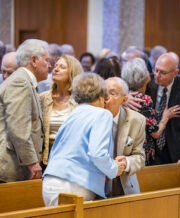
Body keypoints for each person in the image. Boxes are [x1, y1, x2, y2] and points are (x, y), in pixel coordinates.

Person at [43, 73, 125, 206]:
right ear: (100, 97)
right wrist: (114, 169)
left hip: (50, 180)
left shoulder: (73, 114)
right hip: (74, 183)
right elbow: (97, 154)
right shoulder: (102, 114)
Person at [0, 39, 50, 182]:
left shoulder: (24, 81)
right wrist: (32, 163)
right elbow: (19, 128)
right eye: (46, 60)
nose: (49, 65)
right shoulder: (20, 82)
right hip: (10, 166)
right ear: (34, 60)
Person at [121, 58, 180, 165]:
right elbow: (155, 133)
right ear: (145, 77)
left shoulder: (123, 97)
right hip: (140, 152)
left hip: (123, 149)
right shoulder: (143, 100)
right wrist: (165, 117)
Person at [104, 77, 146, 197]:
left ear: (124, 99)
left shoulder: (136, 120)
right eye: (103, 92)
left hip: (124, 186)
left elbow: (140, 157)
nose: (106, 98)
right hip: (96, 187)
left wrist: (126, 162)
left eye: (112, 93)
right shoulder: (91, 118)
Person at [40, 55, 83, 168]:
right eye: (55, 66)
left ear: (72, 73)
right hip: (47, 158)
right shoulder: (43, 98)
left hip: (73, 159)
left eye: (62, 67)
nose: (56, 69)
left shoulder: (81, 100)